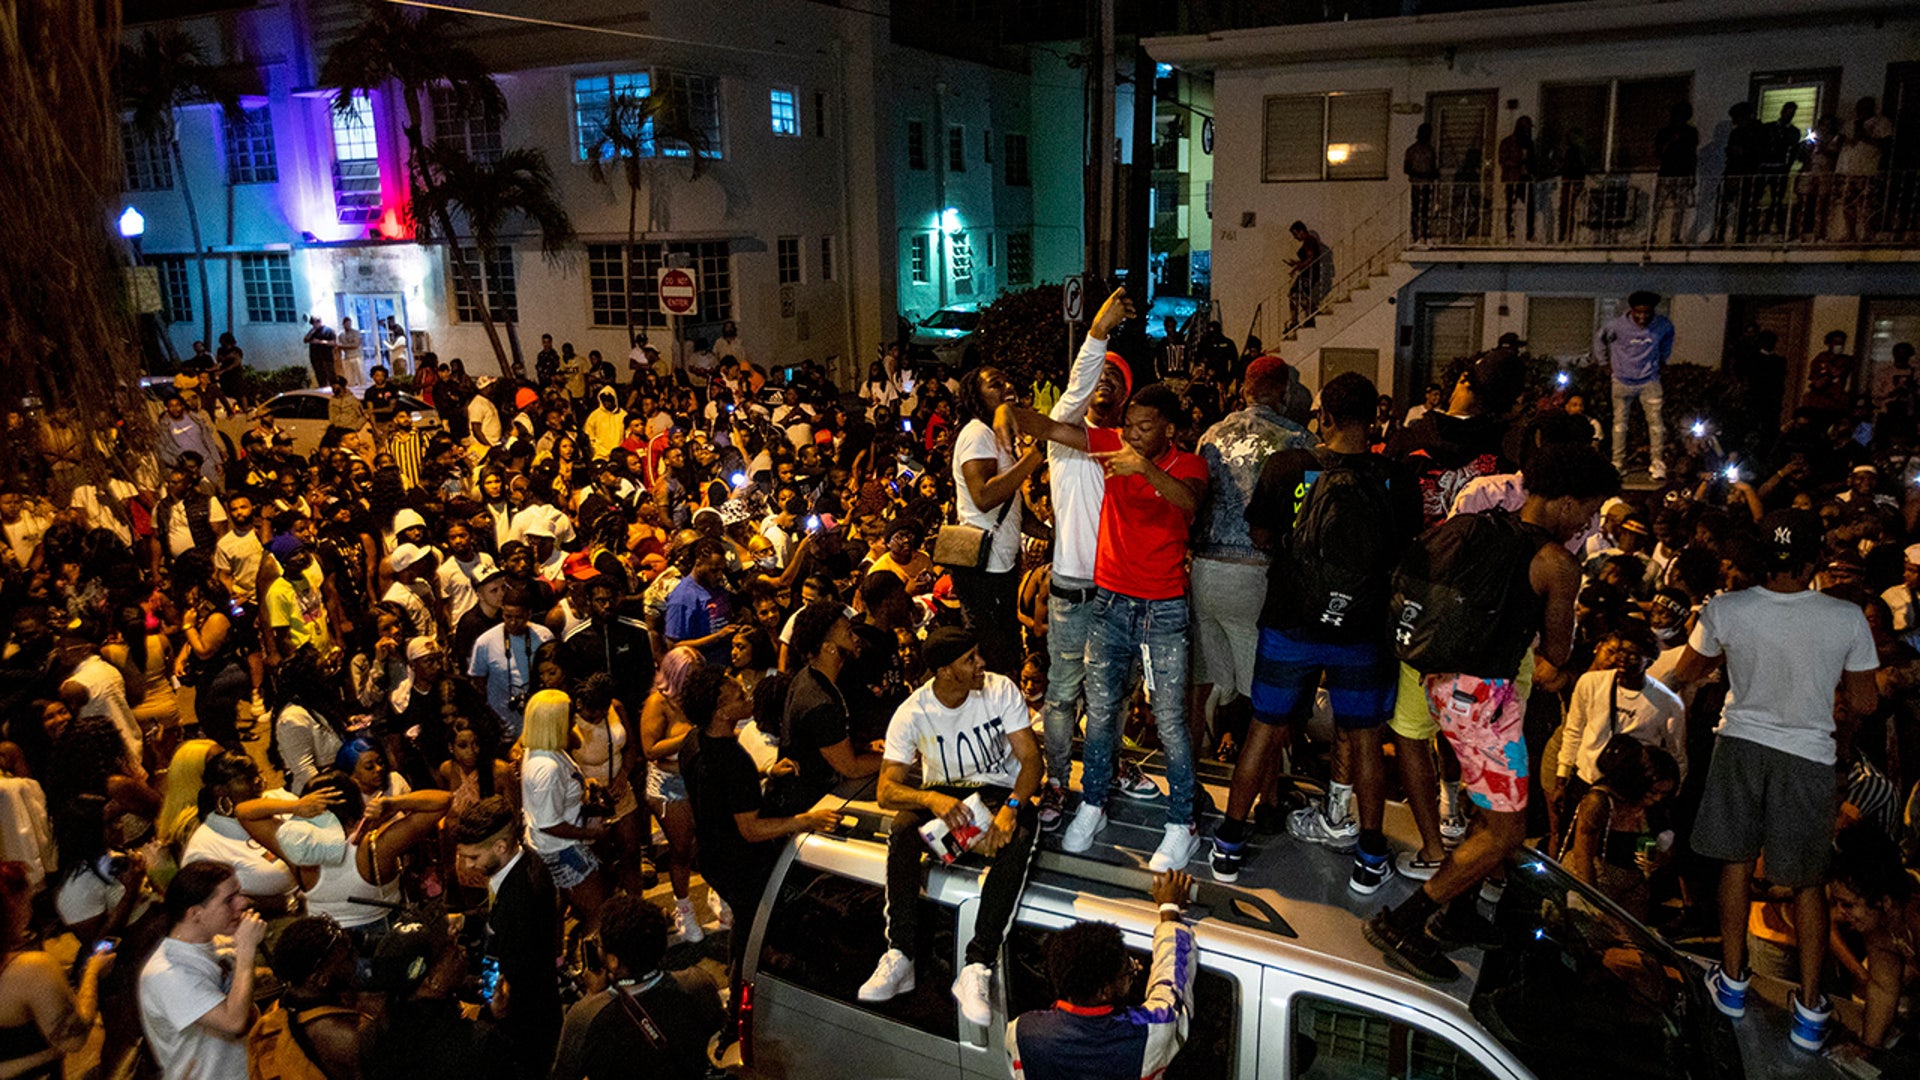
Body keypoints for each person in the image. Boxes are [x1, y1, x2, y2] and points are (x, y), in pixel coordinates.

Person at [1365, 445, 1618, 983]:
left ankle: (1458, 911)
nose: (1591, 521)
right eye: (1590, 508)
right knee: (1506, 831)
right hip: (1484, 700)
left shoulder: (1477, 526)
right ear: (1568, 502)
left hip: (1440, 679)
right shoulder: (1556, 562)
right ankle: (1405, 923)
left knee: (1490, 805)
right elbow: (1556, 650)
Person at [1668, 508, 1879, 1052]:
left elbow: (1684, 671)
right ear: (1813, 560)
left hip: (1739, 744)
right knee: (1809, 881)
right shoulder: (1847, 618)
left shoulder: (1726, 608)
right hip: (1807, 754)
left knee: (1736, 863)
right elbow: (1864, 701)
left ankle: (1733, 983)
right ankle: (1810, 1010)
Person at [1214, 372, 1421, 892]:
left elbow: (1260, 534)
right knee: (1367, 740)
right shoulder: (1396, 478)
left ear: (1322, 417)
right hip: (1364, 629)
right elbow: (1405, 547)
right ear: (1375, 416)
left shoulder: (1288, 466)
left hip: (1291, 620)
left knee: (1262, 728)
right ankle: (1370, 857)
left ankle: (1229, 845)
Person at [1018, 382, 1208, 871]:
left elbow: (1189, 503)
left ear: (1169, 429)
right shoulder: (1112, 445)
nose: (1134, 435)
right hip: (1111, 601)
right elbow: (1053, 428)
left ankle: (1181, 819)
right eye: (1129, 426)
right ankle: (1094, 803)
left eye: (1145, 428)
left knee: (1169, 719)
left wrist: (1143, 466)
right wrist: (1009, 414)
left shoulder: (1189, 465)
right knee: (1101, 711)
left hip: (1163, 607)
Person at [858, 627, 1042, 1025]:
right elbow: (886, 791)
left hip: (997, 793)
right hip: (944, 796)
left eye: (978, 655)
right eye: (969, 660)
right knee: (904, 827)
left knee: (1022, 835)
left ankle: (977, 966)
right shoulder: (912, 712)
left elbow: (1031, 760)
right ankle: (899, 955)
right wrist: (930, 798)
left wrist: (1011, 807)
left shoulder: (1000, 690)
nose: (981, 665)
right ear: (944, 671)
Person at [679, 665, 840, 1043]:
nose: (746, 696)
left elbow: (720, 794)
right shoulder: (730, 760)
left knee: (744, 928)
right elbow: (751, 829)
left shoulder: (693, 742)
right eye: (737, 695)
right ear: (720, 711)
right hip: (741, 864)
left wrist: (766, 774)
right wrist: (805, 820)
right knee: (755, 937)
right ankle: (737, 1017)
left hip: (713, 856)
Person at [1033, 288, 1135, 828]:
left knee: (1112, 694)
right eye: (1101, 375)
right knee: (1062, 693)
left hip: (1120, 588)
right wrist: (1098, 332)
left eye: (1116, 380)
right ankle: (1055, 782)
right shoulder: (1065, 439)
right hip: (1073, 588)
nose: (1104, 384)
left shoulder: (1130, 448)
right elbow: (1075, 387)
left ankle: (1109, 767)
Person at [1191, 355, 1312, 764]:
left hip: (1204, 568)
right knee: (1261, 688)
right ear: (1283, 391)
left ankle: (1195, 769)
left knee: (1206, 681)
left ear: (1244, 388)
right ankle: (1268, 783)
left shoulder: (1211, 434)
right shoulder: (1298, 439)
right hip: (1255, 574)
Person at [1004, 871, 1196, 1080]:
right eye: (1127, 971)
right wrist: (1169, 910)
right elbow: (1170, 985)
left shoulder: (1022, 1032)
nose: (1133, 971)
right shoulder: (1147, 1033)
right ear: (1104, 991)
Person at [552, 895, 725, 1080]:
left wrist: (591, 997)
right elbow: (714, 1024)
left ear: (613, 961)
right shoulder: (696, 983)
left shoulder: (585, 1015)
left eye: (598, 943)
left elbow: (564, 1074)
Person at [449, 795, 562, 1075]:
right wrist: (464, 920)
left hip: (525, 1026)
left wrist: (487, 1011)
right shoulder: (521, 864)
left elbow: (513, 974)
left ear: (500, 846)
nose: (465, 866)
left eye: (473, 857)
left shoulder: (523, 896)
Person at [952, 366, 1046, 676]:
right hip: (982, 570)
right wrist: (1034, 456)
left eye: (1007, 379)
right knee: (996, 661)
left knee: (1006, 654)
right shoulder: (977, 432)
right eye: (995, 384)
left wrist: (1048, 532)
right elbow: (984, 495)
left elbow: (1010, 502)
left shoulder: (994, 434)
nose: (1006, 385)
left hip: (998, 566)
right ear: (975, 397)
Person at [138, 861, 266, 1080]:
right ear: (195, 913)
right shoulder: (166, 973)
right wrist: (246, 952)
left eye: (239, 894)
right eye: (229, 900)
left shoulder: (217, 942)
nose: (242, 903)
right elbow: (233, 1022)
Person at [0, 861, 112, 1079]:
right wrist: (92, 972)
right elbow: (74, 1038)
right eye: (26, 900)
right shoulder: (31, 970)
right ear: (12, 910)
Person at [518, 689, 609, 931]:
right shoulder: (546, 767)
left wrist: (582, 785)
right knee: (598, 911)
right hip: (561, 850)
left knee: (556, 911)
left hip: (549, 847)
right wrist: (591, 834)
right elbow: (548, 823)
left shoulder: (543, 752)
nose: (574, 721)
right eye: (569, 717)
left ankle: (557, 963)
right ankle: (597, 963)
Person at [1828, 824, 1920, 1057]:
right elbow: (1883, 988)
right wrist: (1867, 1046)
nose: (1841, 912)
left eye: (1848, 904)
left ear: (1884, 900)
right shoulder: (1879, 925)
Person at [250, 915, 374, 1080]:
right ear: (320, 979)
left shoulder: (276, 1011)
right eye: (347, 957)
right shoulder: (347, 1035)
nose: (355, 958)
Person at [1593, 291, 1675, 481]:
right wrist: (1604, 362)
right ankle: (1618, 463)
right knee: (1620, 425)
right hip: (1622, 380)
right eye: (1638, 312)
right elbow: (1599, 338)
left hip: (1649, 379)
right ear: (1631, 310)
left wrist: (1663, 357)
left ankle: (1656, 463)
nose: (1642, 317)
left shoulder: (1662, 324)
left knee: (1656, 425)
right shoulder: (1616, 326)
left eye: (1647, 312)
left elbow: (1669, 336)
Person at [467, 585, 552, 741]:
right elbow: (477, 682)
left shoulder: (544, 637)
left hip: (539, 722)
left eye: (518, 617)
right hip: (503, 728)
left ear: (529, 614)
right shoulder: (485, 642)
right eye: (507, 616)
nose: (512, 623)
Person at [1285, 221, 1331, 328]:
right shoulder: (1308, 241)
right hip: (1308, 272)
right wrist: (1295, 263)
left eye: (1295, 234)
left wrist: (1297, 267)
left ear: (1302, 231)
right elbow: (1308, 259)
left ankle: (1308, 316)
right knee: (1297, 295)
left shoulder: (1309, 240)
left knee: (1295, 294)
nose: (1295, 237)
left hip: (1309, 273)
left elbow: (1310, 259)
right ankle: (1307, 316)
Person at [1497, 116, 1535, 241]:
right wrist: (1518, 163)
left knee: (1530, 205)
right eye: (1526, 128)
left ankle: (1530, 233)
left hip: (1526, 178)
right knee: (1510, 206)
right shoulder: (1508, 142)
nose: (1528, 131)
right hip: (1512, 178)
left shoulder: (1529, 143)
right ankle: (1509, 233)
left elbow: (1533, 159)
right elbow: (1502, 160)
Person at [1404, 123, 1440, 242]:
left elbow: (1434, 168)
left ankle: (1425, 235)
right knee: (1416, 210)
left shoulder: (1430, 150)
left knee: (1426, 210)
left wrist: (1434, 175)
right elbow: (1406, 169)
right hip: (1416, 184)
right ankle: (1416, 235)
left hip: (1427, 185)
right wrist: (1421, 174)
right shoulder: (1412, 150)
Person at [304, 316, 337, 389]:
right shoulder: (312, 331)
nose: (314, 325)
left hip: (326, 358)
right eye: (313, 324)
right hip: (315, 358)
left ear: (319, 322)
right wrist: (312, 332)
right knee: (320, 377)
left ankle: (335, 391)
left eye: (315, 323)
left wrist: (320, 342)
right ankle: (323, 391)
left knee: (330, 376)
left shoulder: (328, 331)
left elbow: (333, 343)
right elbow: (305, 340)